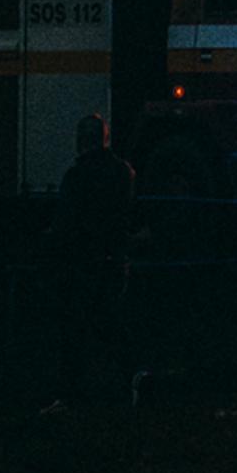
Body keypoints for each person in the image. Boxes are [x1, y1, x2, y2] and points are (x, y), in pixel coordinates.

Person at [45, 114, 136, 410]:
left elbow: (65, 223)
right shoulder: (123, 172)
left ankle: (72, 394)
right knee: (112, 325)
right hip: (114, 260)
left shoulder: (77, 176)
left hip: (83, 262)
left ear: (81, 141)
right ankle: (125, 387)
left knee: (74, 329)